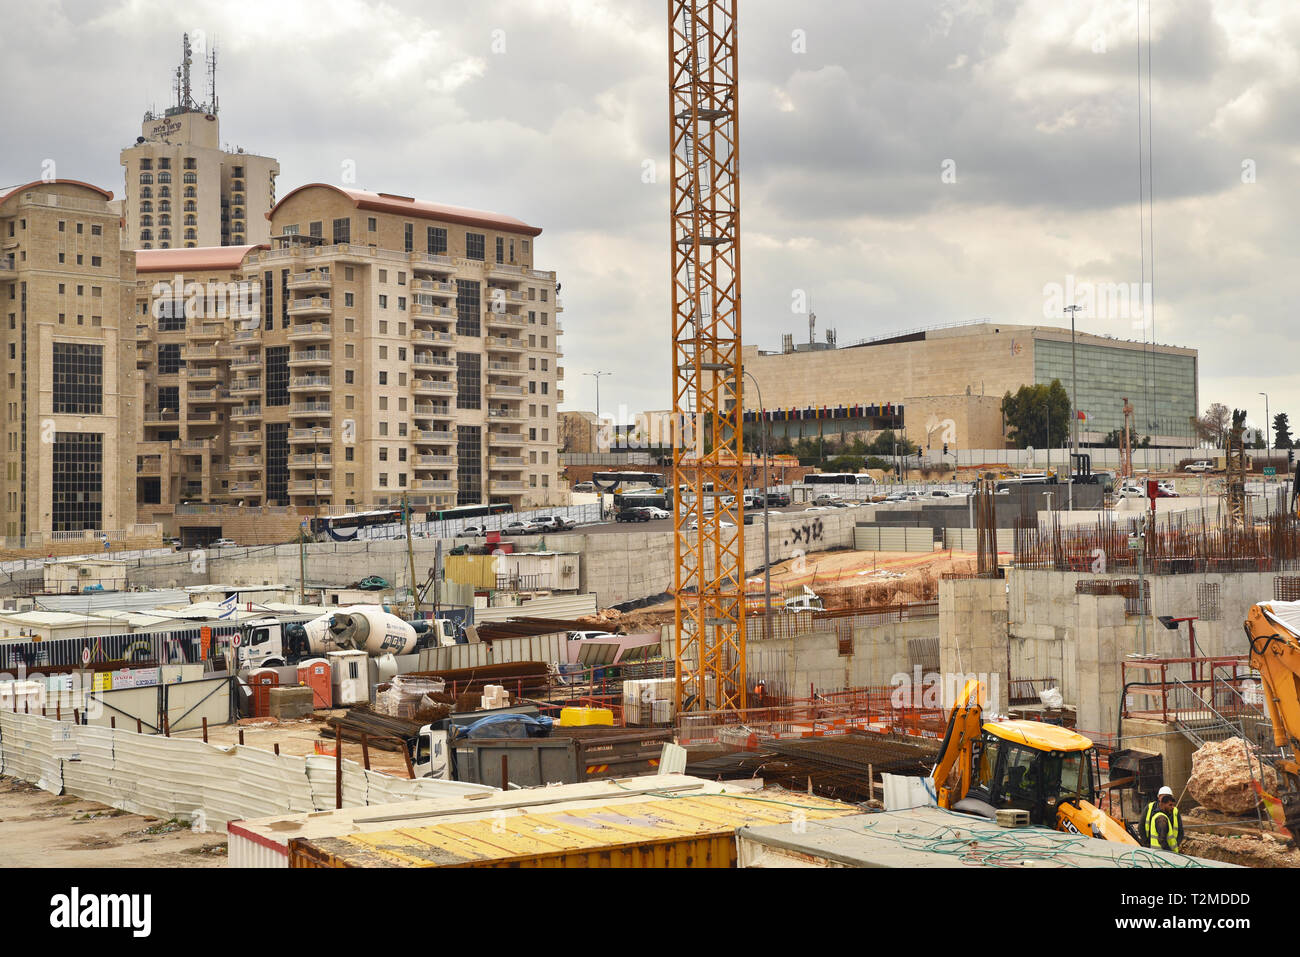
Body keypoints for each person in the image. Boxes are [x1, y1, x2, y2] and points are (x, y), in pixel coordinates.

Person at [1142, 785, 1183, 853]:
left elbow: (1180, 831)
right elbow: (1162, 840)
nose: (1172, 807)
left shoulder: (1173, 812)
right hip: (1162, 852)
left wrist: (1176, 845)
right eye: (1170, 805)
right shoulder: (1161, 818)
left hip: (1163, 850)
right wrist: (1146, 843)